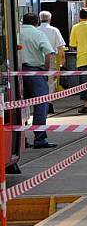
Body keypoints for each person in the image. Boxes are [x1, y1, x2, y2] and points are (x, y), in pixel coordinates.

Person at [20, 12, 57, 148]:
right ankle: (40, 139)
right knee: (41, 104)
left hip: (16, 73)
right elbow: (48, 52)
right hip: (34, 72)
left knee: (18, 106)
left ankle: (20, 140)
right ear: (37, 23)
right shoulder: (38, 34)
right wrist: (46, 68)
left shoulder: (16, 33)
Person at [38, 10, 66, 114]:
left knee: (40, 80)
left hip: (39, 58)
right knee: (51, 81)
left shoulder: (37, 30)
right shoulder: (54, 30)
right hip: (52, 58)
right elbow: (60, 47)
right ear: (50, 19)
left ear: (40, 19)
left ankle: (41, 102)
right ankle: (49, 103)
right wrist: (63, 59)